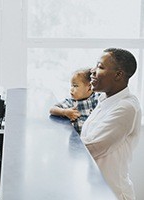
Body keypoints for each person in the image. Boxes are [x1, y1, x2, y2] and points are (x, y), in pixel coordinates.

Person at [80, 48, 141, 200]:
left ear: (118, 74)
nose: (92, 71)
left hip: (112, 193)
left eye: (100, 67)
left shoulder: (126, 107)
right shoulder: (105, 100)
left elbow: (92, 148)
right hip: (94, 189)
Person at [50, 68, 100, 134]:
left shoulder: (97, 98)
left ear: (89, 88)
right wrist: (65, 112)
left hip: (94, 137)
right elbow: (52, 109)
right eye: (71, 86)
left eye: (75, 86)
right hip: (78, 140)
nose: (71, 89)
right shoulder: (71, 102)